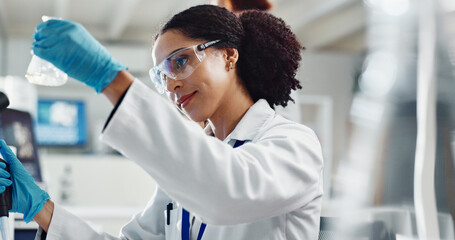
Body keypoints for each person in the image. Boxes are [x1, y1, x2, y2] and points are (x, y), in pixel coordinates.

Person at [0, 4, 323, 240]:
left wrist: (111, 79)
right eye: (161, 75)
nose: (170, 85)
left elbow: (229, 193)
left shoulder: (292, 143)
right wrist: (39, 208)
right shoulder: (192, 164)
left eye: (179, 61)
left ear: (228, 55)